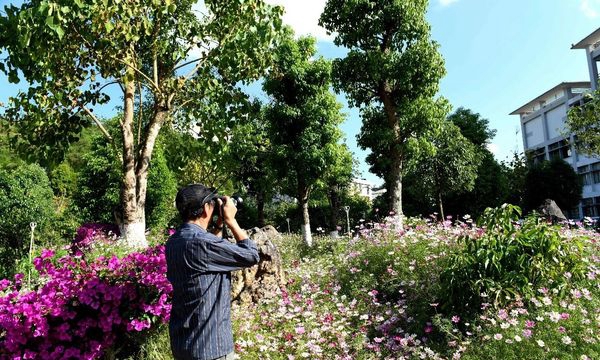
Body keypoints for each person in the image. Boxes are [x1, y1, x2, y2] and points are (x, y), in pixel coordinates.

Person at [166, 184, 260, 360]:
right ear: (205, 209)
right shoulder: (202, 242)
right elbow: (251, 255)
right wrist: (231, 220)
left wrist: (217, 225)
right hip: (211, 348)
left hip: (183, 344)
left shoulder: (174, 242)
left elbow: (208, 260)